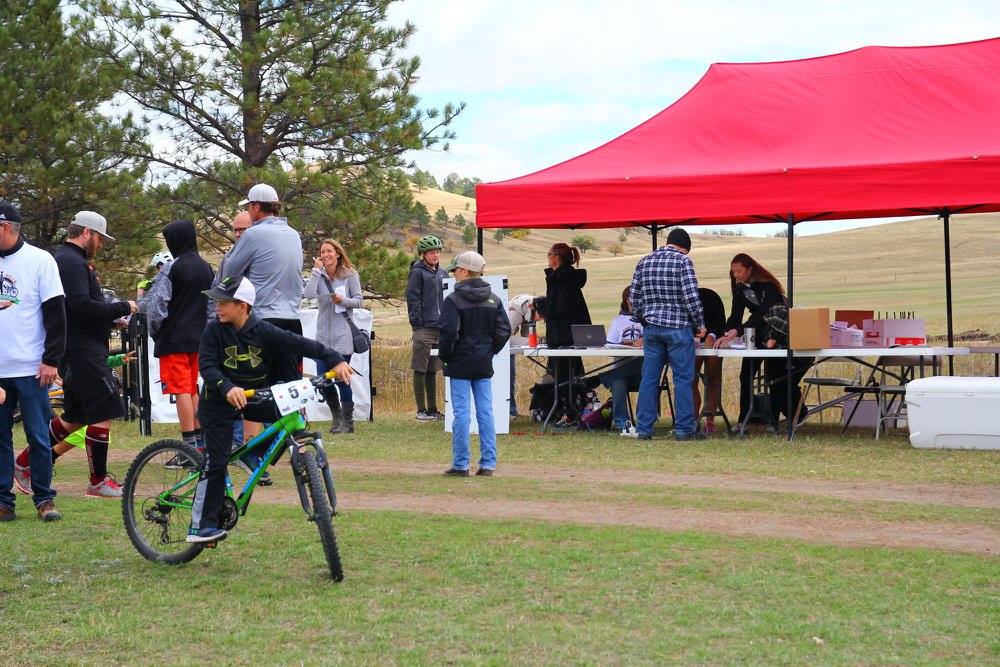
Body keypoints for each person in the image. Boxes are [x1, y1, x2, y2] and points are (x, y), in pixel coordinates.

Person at [189, 276, 353, 543]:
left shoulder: (264, 331)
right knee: (216, 463)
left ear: (243, 306)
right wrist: (227, 387)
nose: (217, 307)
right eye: (217, 302)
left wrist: (335, 359)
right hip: (218, 402)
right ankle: (201, 526)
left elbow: (302, 345)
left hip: (253, 398)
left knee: (288, 419)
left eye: (223, 302)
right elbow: (207, 367)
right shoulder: (213, 331)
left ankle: (251, 455)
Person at [47, 211, 137, 498]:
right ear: (86, 232)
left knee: (77, 415)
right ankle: (98, 481)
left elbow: (78, 311)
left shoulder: (70, 261)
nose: (100, 243)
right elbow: (81, 306)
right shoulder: (72, 263)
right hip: (81, 350)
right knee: (107, 406)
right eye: (99, 237)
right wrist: (123, 307)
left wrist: (110, 319)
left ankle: (28, 462)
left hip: (79, 347)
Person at [0, 200, 66, 521]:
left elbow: (56, 315)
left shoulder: (40, 260)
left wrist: (51, 360)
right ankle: (3, 502)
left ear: (5, 227)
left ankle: (44, 500)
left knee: (39, 436)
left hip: (31, 367)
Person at [139, 220, 215, 460]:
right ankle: (200, 443)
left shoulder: (173, 268)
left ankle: (188, 447)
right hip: (199, 338)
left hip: (174, 340)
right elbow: (212, 306)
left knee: (181, 389)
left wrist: (156, 331)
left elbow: (156, 305)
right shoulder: (207, 268)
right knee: (192, 388)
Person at [13, 352, 134, 493]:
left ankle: (23, 462)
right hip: (81, 357)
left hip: (77, 358)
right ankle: (98, 483)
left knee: (73, 419)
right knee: (105, 409)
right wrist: (51, 361)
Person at [221, 184, 305, 385]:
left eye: (249, 206)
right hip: (292, 319)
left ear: (256, 207)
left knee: (258, 383)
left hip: (262, 319)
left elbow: (229, 274)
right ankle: (294, 417)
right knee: (289, 384)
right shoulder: (293, 234)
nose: (248, 211)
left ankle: (259, 418)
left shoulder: (253, 234)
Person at [629, 228, 706, 441]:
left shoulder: (644, 261)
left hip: (651, 329)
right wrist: (699, 323)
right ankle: (683, 430)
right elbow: (691, 297)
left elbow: (633, 298)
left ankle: (644, 429)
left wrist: (642, 319)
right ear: (684, 247)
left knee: (649, 379)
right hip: (679, 329)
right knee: (682, 379)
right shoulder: (683, 262)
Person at [438, 252, 511, 477]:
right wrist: (488, 351)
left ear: (464, 271)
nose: (453, 274)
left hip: (459, 362)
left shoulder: (452, 300)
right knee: (486, 412)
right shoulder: (494, 299)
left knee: (461, 413)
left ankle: (461, 464)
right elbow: (504, 330)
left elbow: (449, 333)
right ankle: (488, 463)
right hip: (482, 362)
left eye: (455, 270)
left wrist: (446, 356)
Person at [713, 253, 787, 427]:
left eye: (739, 271)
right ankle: (743, 421)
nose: (736, 275)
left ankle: (774, 421)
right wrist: (728, 331)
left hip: (778, 334)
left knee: (773, 376)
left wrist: (738, 331)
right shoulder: (740, 289)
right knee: (746, 375)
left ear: (750, 269)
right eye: (733, 272)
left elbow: (762, 314)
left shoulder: (768, 286)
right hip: (757, 334)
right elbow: (735, 316)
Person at [304, 239, 363, 434]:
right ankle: (336, 414)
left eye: (330, 251)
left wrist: (343, 300)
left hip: (342, 335)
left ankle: (348, 420)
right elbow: (309, 295)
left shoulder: (349, 275)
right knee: (323, 379)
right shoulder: (318, 275)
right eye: (323, 252)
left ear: (338, 253)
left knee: (341, 378)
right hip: (322, 336)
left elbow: (359, 301)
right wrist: (314, 271)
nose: (326, 255)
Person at [543, 243, 591, 425]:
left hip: (566, 336)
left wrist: (541, 306)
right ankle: (568, 411)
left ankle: (569, 413)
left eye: (549, 254)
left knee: (564, 376)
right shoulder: (562, 276)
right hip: (567, 335)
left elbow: (561, 308)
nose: (547, 258)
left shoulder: (564, 277)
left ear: (557, 258)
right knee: (567, 374)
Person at [406, 235, 448, 421]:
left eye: (437, 251)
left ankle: (433, 409)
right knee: (420, 367)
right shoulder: (417, 272)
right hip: (424, 327)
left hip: (440, 327)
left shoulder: (443, 273)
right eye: (432, 252)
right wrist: (417, 324)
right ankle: (421, 410)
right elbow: (413, 298)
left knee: (433, 369)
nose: (435, 255)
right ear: (423, 254)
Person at [598, 286, 644, 432]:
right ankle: (623, 424)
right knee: (617, 382)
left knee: (647, 379)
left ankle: (643, 422)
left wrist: (644, 340)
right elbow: (609, 345)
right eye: (629, 298)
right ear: (625, 301)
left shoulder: (649, 321)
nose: (632, 302)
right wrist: (623, 344)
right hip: (622, 369)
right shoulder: (618, 321)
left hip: (643, 372)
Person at [762, 304, 814, 431]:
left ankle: (791, 416)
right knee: (777, 384)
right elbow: (767, 338)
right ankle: (781, 418)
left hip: (799, 358)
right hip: (779, 357)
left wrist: (771, 342)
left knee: (781, 384)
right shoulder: (772, 318)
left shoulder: (780, 317)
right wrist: (769, 341)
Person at [692, 287, 726, 434]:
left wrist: (711, 336)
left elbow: (720, 322)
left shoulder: (710, 298)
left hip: (714, 338)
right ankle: (693, 419)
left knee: (713, 377)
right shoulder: (684, 301)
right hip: (693, 341)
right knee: (690, 379)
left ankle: (709, 420)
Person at [505, 293, 537, 417]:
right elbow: (505, 339)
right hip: (500, 349)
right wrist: (530, 342)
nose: (539, 319)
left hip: (505, 348)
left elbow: (525, 335)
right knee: (508, 377)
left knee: (510, 377)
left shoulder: (522, 311)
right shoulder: (514, 315)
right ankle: (509, 411)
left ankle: (512, 410)